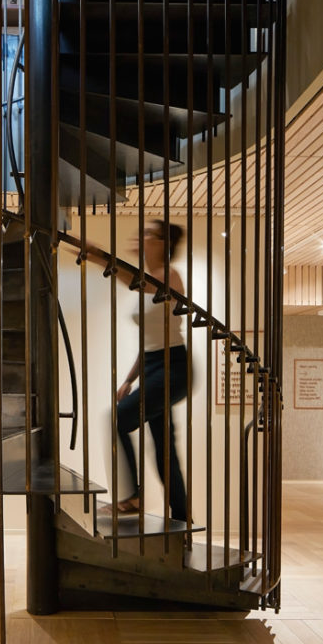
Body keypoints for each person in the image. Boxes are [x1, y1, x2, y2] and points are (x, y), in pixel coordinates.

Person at [110, 219, 190, 521]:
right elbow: (151, 343)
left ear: (162, 244)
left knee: (118, 420)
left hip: (173, 367)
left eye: (148, 233)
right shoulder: (147, 281)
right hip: (154, 366)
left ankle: (133, 497)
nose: (141, 236)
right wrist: (129, 379)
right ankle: (181, 518)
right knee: (165, 451)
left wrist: (99, 257)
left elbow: (140, 284)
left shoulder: (168, 276)